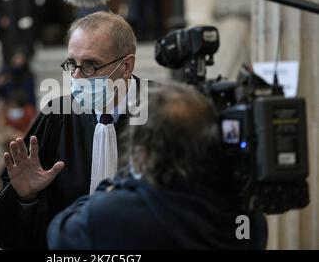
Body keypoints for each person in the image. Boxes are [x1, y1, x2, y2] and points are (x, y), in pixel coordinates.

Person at [0, 11, 151, 249]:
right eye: (72, 64)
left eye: (90, 65)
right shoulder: (56, 116)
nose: (76, 76)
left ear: (126, 66)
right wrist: (26, 197)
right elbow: (12, 230)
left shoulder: (163, 114)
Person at [47, 83, 268, 249]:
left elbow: (58, 234)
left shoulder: (113, 214)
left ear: (143, 154)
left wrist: (114, 182)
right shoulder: (248, 220)